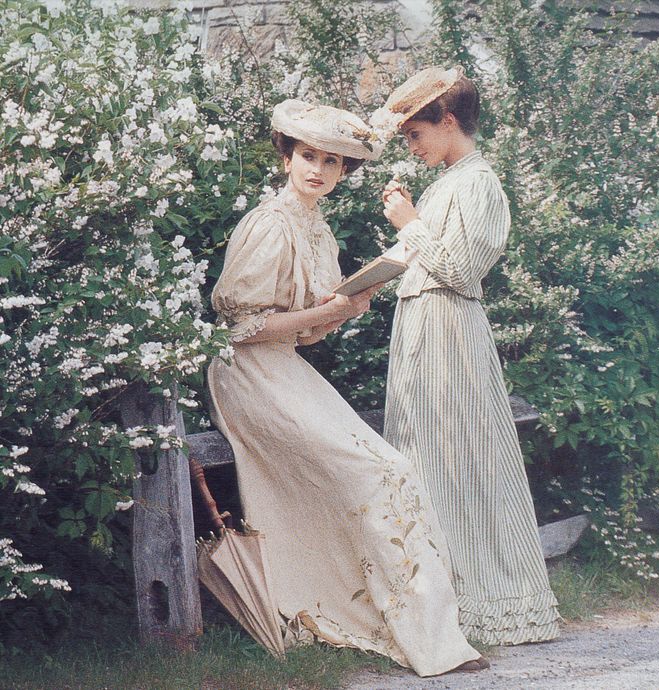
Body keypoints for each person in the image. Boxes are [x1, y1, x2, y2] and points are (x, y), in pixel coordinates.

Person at [207, 99, 488, 676]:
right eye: (309, 156)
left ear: (343, 174)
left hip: (284, 366)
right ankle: (381, 623)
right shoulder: (269, 221)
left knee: (391, 470)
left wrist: (345, 308)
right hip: (246, 374)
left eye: (333, 163)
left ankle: (431, 636)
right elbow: (238, 331)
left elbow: (305, 335)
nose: (318, 170)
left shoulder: (317, 228)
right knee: (379, 472)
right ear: (288, 157)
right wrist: (328, 309)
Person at [375, 67, 561, 646]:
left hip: (451, 334)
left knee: (463, 461)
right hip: (423, 328)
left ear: (448, 121)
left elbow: (459, 270)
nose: (412, 147)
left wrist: (411, 223)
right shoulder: (448, 181)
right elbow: (417, 257)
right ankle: (433, 599)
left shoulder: (479, 182)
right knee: (424, 457)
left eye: (415, 134)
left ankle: (488, 600)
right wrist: (346, 292)